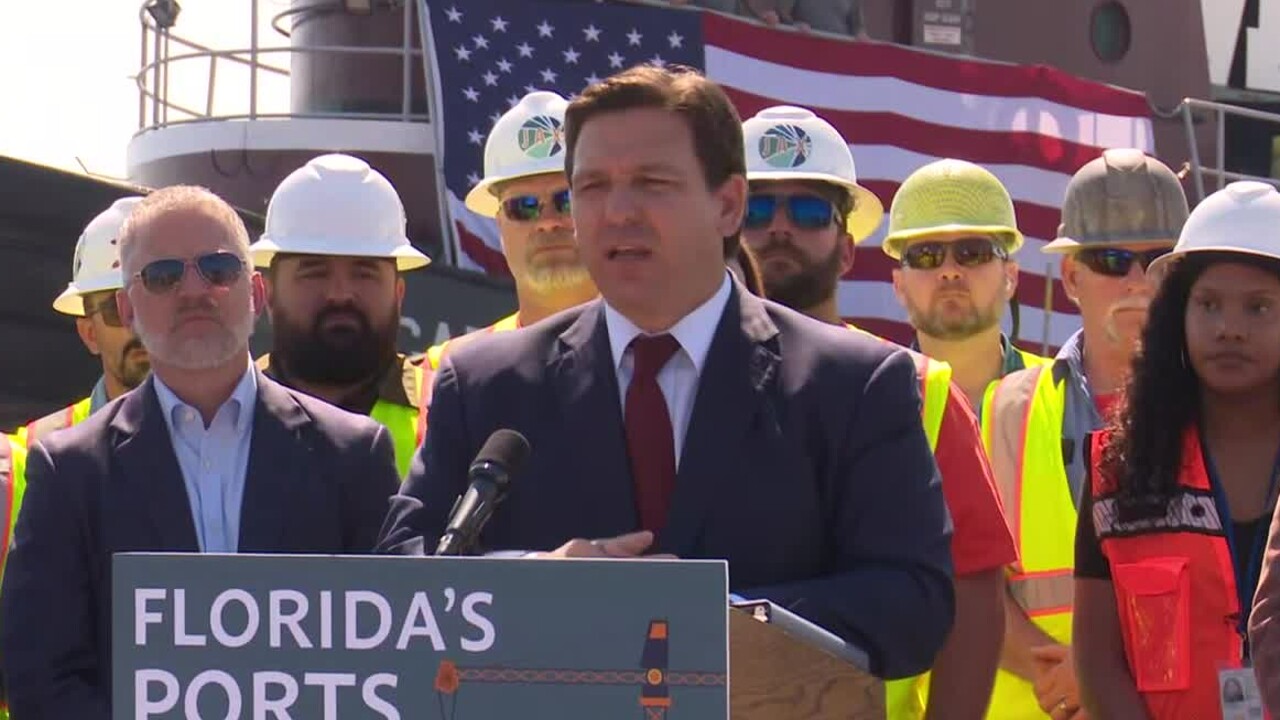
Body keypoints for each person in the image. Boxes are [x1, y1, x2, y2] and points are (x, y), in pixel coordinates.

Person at [379, 65, 954, 680]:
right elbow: (401, 578)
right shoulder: (486, 383)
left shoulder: (853, 384)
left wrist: (712, 619)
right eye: (592, 188)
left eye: (651, 184)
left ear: (728, 204)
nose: (618, 212)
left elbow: (912, 603)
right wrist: (537, 582)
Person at [0, 186, 401, 718]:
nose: (195, 291)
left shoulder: (354, 456)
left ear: (257, 294)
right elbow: (42, 677)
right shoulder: (68, 472)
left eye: (218, 268)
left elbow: (392, 656)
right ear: (128, 308)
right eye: (163, 275)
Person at [740, 105, 1015, 719]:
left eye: (809, 211)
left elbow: (974, 592)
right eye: (758, 210)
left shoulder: (919, 391)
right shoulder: (670, 375)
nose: (780, 228)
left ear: (845, 249)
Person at [983, 148, 1188, 719]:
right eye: (1111, 259)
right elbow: (969, 585)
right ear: (1072, 276)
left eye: (1156, 259)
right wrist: (1064, 674)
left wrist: (1099, 669)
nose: (1136, 280)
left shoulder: (1228, 409)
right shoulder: (1007, 410)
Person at [1076, 181, 1280, 718]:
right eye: (1208, 305)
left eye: (1259, 308)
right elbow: (1097, 660)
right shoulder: (1115, 471)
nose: (1230, 329)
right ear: (1176, 319)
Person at [250, 153, 432, 476]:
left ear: (398, 294)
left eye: (364, 273)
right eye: (314, 272)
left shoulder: (445, 409)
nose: (340, 293)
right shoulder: (225, 414)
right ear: (269, 293)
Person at [423, 91, 596, 372]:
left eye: (567, 200)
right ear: (499, 221)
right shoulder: (443, 370)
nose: (547, 222)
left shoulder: (662, 351)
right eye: (523, 206)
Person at [885, 159, 1050, 409]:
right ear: (899, 286)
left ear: (1010, 277)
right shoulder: (870, 401)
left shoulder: (1060, 394)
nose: (950, 271)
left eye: (973, 252)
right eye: (926, 255)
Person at [22, 197, 151, 445]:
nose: (140, 323)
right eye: (116, 307)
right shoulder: (39, 449)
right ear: (90, 333)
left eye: (156, 301)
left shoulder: (235, 434)